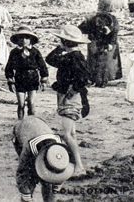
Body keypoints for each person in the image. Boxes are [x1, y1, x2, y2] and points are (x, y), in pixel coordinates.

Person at [45, 25, 91, 178]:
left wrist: (71, 92)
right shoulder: (74, 56)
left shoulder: (74, 58)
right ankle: (75, 163)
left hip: (70, 98)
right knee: (71, 132)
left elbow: (84, 78)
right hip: (71, 97)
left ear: (64, 41)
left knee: (66, 134)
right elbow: (50, 60)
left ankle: (78, 165)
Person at [12, 115, 75, 202]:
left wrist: (54, 190)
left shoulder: (61, 151)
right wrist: (26, 196)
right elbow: (22, 172)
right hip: (23, 128)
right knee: (29, 177)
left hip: (41, 125)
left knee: (49, 184)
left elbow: (59, 176)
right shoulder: (29, 148)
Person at [78, 0, 123, 88]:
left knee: (95, 61)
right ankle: (103, 80)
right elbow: (115, 31)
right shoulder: (112, 19)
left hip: (94, 42)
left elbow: (82, 29)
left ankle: (95, 79)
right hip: (105, 43)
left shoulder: (93, 18)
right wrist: (112, 42)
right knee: (106, 62)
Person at [6, 27, 49, 120]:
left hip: (32, 78)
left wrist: (44, 80)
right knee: (21, 104)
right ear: (17, 40)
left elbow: (42, 66)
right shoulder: (14, 52)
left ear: (31, 40)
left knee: (31, 103)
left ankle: (31, 121)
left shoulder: (35, 52)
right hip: (19, 78)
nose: (24, 40)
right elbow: (9, 67)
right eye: (21, 38)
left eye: (27, 38)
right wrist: (10, 81)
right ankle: (20, 122)